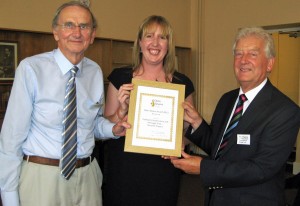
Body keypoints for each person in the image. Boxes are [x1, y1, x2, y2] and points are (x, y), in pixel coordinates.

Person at [0, 1, 130, 206]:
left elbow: (91, 125)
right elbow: (11, 138)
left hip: (87, 178)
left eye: (84, 26)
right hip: (42, 179)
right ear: (55, 32)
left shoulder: (94, 72)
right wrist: (9, 197)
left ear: (92, 34)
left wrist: (114, 128)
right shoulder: (31, 69)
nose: (76, 33)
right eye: (68, 25)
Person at [168, 27, 300, 206]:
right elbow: (219, 148)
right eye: (238, 54)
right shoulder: (227, 99)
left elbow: (261, 168)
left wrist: (203, 168)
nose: (243, 60)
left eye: (253, 54)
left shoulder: (285, 111)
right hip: (216, 199)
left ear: (270, 63)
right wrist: (196, 123)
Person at [102, 15, 195, 206]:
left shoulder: (182, 83)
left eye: (163, 37)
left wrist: (181, 140)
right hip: (125, 169)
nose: (155, 43)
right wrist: (121, 110)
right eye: (149, 36)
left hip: (163, 169)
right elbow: (106, 126)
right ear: (140, 42)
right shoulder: (121, 78)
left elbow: (188, 131)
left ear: (169, 44)